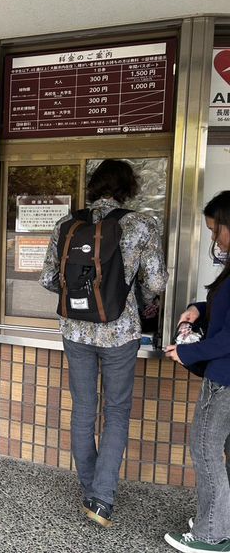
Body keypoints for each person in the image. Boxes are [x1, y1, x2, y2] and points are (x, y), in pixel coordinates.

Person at [39, 159, 168, 527]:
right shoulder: (141, 224)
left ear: (95, 187)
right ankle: (101, 498)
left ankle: (90, 487)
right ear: (129, 188)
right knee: (116, 412)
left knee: (83, 407)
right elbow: (156, 283)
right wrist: (137, 297)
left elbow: (49, 278)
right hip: (119, 330)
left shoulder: (67, 224)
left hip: (75, 330)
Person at [163, 191, 230, 553]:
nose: (214, 241)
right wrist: (198, 310)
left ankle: (211, 535)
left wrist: (187, 353)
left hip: (225, 380)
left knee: (205, 449)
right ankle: (221, 519)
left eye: (216, 231)